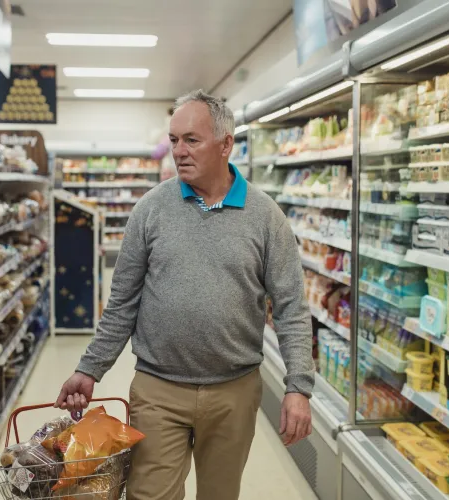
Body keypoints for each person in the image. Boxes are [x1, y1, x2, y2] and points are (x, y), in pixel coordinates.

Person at [55, 89, 314, 500]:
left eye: (191, 140)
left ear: (225, 144)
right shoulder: (150, 209)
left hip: (234, 390)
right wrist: (89, 369)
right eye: (174, 140)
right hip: (158, 388)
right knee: (149, 495)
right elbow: (122, 303)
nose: (178, 151)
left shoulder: (266, 217)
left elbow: (291, 309)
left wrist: (298, 387)